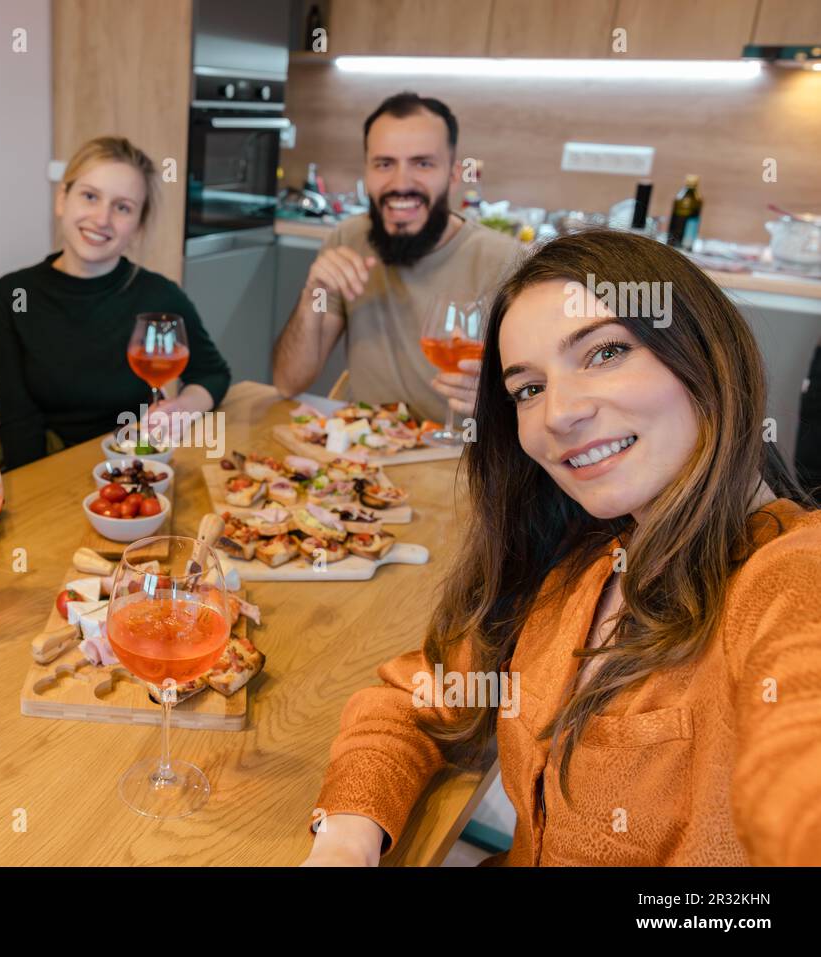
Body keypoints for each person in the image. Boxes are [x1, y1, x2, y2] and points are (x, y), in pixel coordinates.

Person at [304, 229, 821, 866]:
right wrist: (345, 841)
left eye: (603, 353)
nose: (558, 415)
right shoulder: (579, 564)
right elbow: (414, 702)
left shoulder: (793, 577)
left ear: (707, 353)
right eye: (528, 389)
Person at [272, 92, 522, 423]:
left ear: (453, 174)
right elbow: (289, 382)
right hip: (367, 449)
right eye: (384, 164)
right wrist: (311, 295)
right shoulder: (348, 240)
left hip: (460, 458)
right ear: (367, 173)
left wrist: (498, 398)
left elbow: (539, 396)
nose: (401, 183)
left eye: (423, 163)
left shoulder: (505, 261)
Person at [0, 136, 231, 470]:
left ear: (138, 225)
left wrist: (185, 405)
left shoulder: (160, 297)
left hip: (130, 462)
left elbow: (213, 373)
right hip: (47, 467)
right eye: (90, 196)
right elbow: (18, 421)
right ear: (62, 200)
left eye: (123, 207)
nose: (102, 219)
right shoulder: (11, 297)